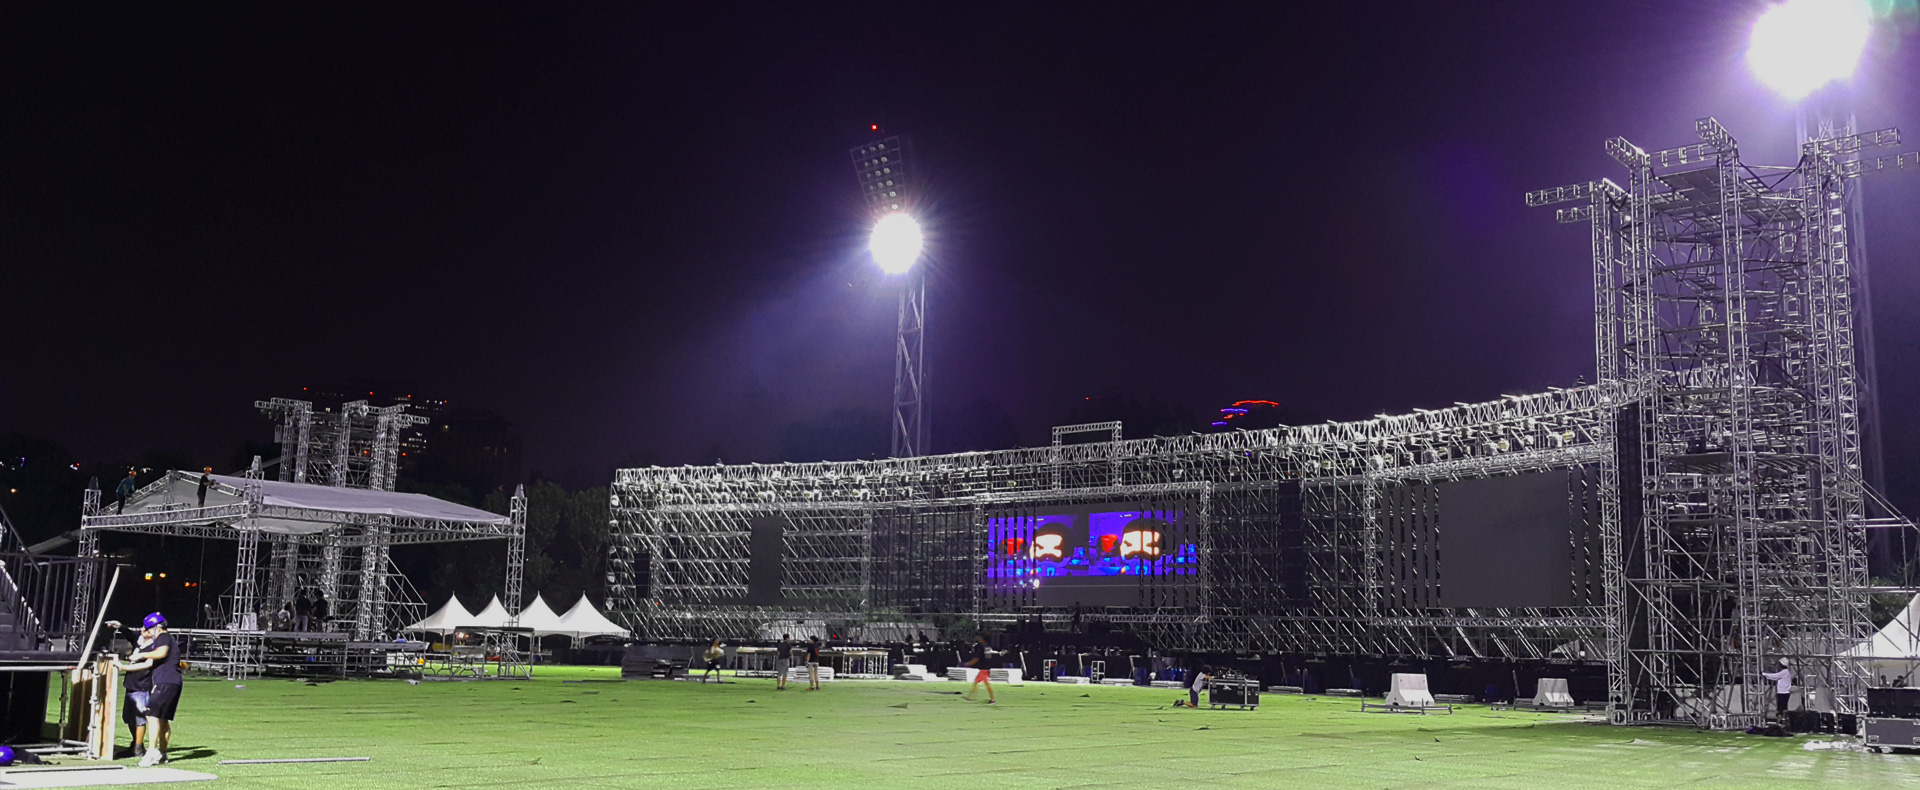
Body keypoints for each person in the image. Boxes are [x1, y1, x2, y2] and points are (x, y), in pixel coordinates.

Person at [127, 612, 181, 766]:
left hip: (165, 681)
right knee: (162, 719)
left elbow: (161, 653)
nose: (149, 633)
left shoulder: (163, 637)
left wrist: (141, 654)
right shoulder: (167, 639)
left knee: (151, 714)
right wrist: (124, 667)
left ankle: (151, 752)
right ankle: (163, 753)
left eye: (149, 629)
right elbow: (149, 663)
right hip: (173, 682)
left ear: (156, 627)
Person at [114, 622, 155, 758]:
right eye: (143, 627)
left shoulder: (154, 646)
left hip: (142, 685)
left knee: (140, 718)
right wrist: (120, 626)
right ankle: (136, 743)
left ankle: (138, 747)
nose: (143, 630)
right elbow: (130, 633)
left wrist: (124, 667)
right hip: (131, 683)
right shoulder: (139, 640)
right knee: (128, 717)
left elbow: (147, 665)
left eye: (146, 629)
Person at [963, 635, 997, 704]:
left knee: (984, 683)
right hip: (987, 667)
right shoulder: (988, 646)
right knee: (978, 682)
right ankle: (971, 697)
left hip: (983, 668)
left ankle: (992, 700)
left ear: (981, 639)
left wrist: (968, 664)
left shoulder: (981, 647)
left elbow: (977, 657)